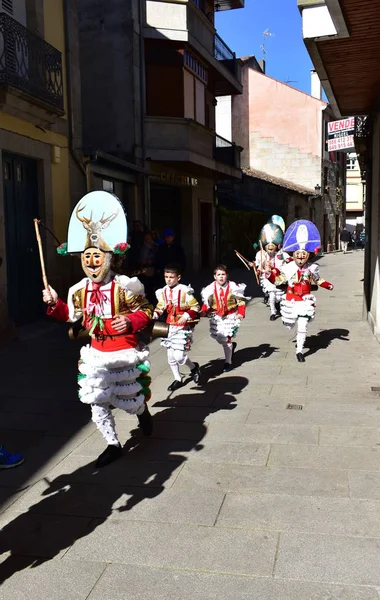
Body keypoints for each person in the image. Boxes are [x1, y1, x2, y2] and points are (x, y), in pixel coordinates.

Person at [42, 191, 154, 468]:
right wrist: (55, 303)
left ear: (109, 258)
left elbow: (147, 311)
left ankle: (141, 412)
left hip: (124, 352)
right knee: (97, 401)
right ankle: (113, 444)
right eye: (87, 256)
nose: (92, 262)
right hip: (96, 352)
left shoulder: (126, 285)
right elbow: (72, 316)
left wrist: (130, 321)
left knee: (129, 400)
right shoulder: (78, 290)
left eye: (97, 256)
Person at [278, 220, 334, 363]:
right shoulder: (288, 267)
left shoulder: (312, 268)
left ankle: (299, 351)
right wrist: (268, 274)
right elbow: (278, 280)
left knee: (302, 326)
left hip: (305, 301)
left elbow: (318, 280)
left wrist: (328, 285)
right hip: (291, 300)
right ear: (294, 254)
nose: (301, 256)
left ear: (308, 254)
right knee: (289, 324)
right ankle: (288, 323)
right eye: (298, 253)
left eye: (304, 253)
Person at [153, 263, 200, 392]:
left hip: (182, 326)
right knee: (170, 356)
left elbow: (196, 307)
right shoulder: (163, 291)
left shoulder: (185, 290)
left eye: (171, 277)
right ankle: (177, 378)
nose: (168, 279)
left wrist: (186, 315)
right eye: (166, 276)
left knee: (179, 356)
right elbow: (161, 306)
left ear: (178, 277)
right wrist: (154, 314)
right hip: (169, 326)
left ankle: (193, 367)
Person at [200, 264, 249, 372]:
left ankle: (228, 362)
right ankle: (231, 347)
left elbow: (241, 301)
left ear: (227, 275)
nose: (221, 277)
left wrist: (241, 313)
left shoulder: (233, 286)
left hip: (230, 314)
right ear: (214, 276)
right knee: (220, 338)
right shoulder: (209, 288)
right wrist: (203, 311)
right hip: (217, 315)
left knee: (227, 339)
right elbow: (206, 303)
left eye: (223, 274)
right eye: (218, 275)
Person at [250, 222, 291, 321]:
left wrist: (288, 260)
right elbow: (258, 264)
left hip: (280, 278)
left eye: (272, 247)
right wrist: (254, 265)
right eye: (268, 247)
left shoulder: (281, 254)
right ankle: (273, 312)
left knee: (282, 296)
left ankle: (283, 310)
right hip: (268, 279)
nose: (270, 249)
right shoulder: (261, 254)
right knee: (272, 295)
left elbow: (289, 260)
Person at [139, 230, 158, 304]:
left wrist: (150, 261)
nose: (147, 238)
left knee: (151, 288)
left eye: (148, 236)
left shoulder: (155, 246)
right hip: (143, 270)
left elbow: (157, 258)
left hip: (151, 270)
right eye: (145, 237)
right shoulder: (141, 246)